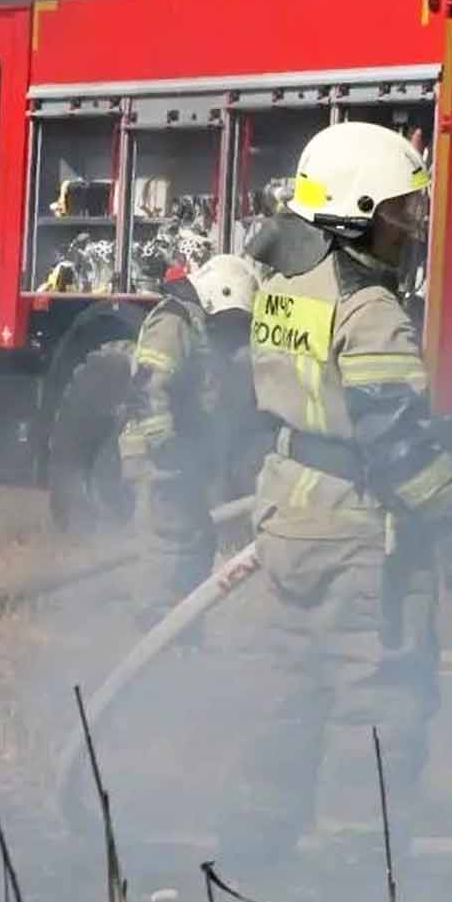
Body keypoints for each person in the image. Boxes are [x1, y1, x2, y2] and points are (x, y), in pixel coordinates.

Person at [218, 120, 452, 864]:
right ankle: (359, 876)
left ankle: (251, 854)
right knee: (378, 702)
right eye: (400, 210)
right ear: (357, 210)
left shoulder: (284, 287)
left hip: (287, 508)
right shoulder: (371, 309)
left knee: (285, 691)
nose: (412, 225)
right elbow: (395, 445)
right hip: (358, 527)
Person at [116, 252, 258, 625]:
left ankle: (182, 630)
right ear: (217, 297)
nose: (232, 331)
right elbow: (148, 389)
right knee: (169, 543)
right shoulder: (173, 323)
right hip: (157, 456)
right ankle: (156, 627)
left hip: (179, 456)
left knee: (194, 541)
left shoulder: (199, 325)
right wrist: (170, 452)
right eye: (233, 320)